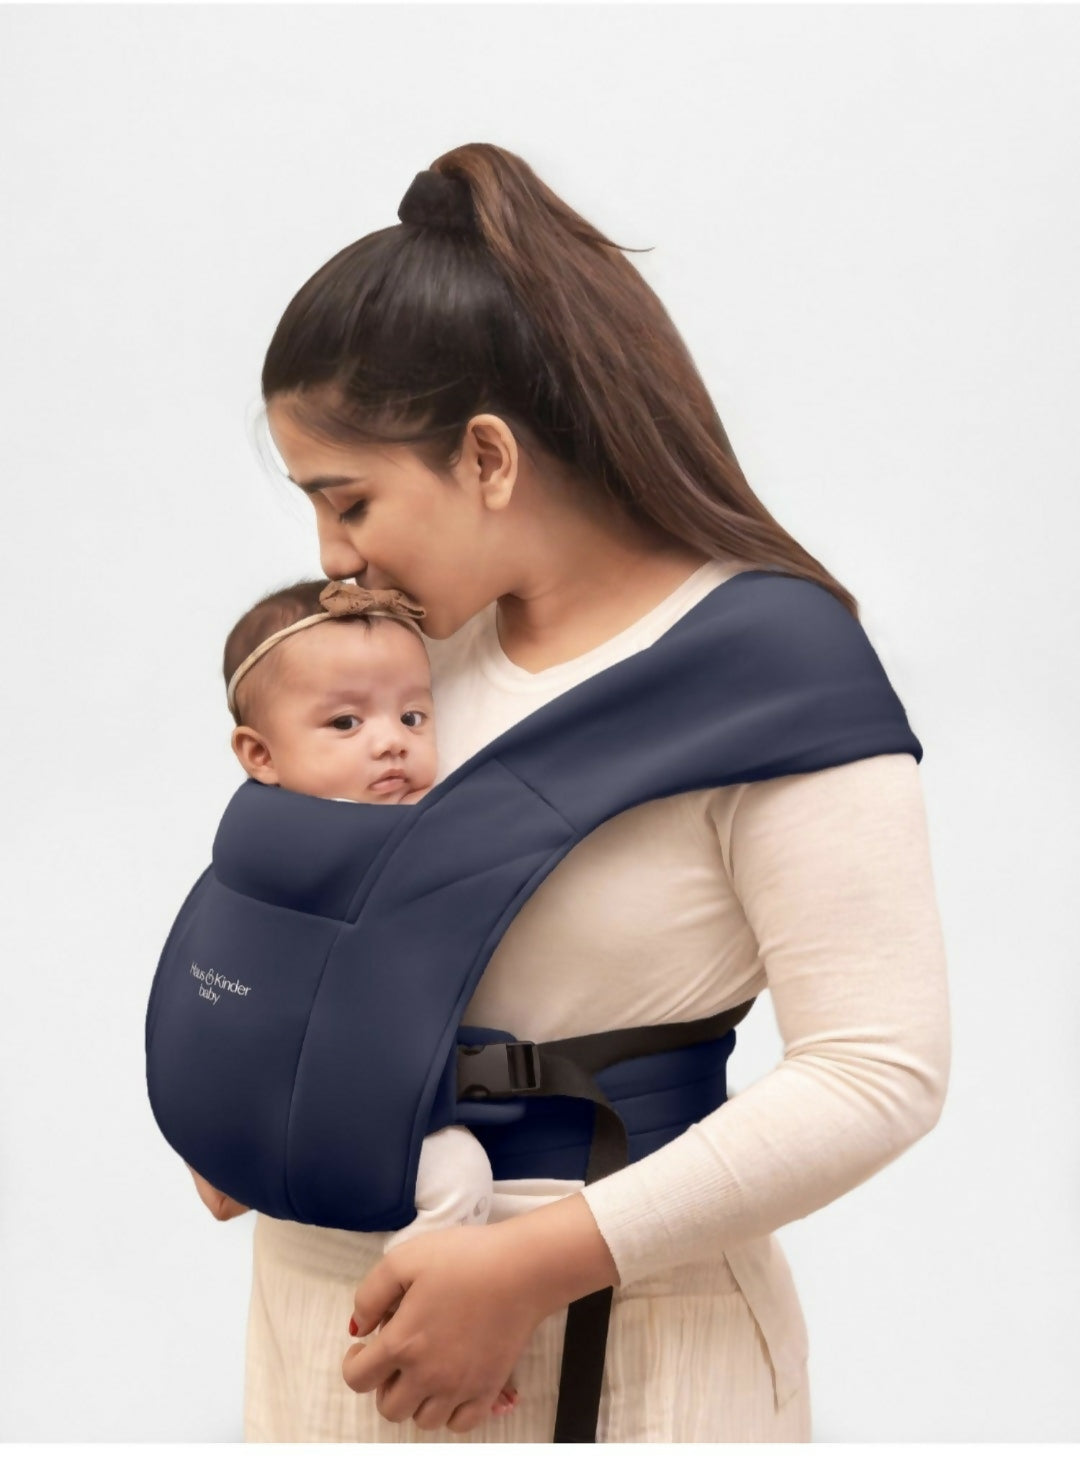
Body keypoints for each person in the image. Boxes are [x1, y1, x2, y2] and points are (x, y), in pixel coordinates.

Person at [228, 143, 950, 1443]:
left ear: (489, 458)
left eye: (349, 501)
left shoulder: (769, 669)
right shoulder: (405, 663)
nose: (329, 559)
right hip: (325, 1323)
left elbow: (877, 1069)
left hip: (622, 1344)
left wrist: (522, 1265)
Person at [187, 574, 522, 1417]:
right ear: (258, 756)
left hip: (350, 1093)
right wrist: (214, 1135)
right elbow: (213, 992)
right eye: (346, 722)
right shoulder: (280, 854)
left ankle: (422, 1310)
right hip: (303, 1099)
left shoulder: (287, 838)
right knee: (459, 1176)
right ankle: (420, 1323)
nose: (392, 743)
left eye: (413, 717)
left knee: (458, 1174)